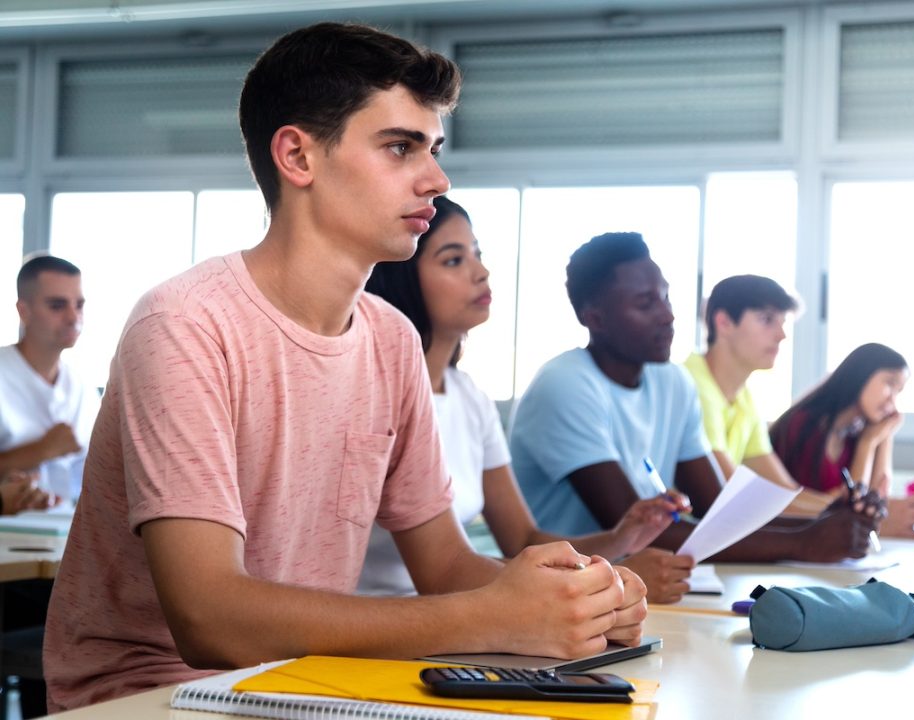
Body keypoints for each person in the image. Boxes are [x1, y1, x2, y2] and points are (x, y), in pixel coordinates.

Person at [43, 23, 645, 713]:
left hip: (303, 683)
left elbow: (446, 567)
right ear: (297, 155)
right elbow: (209, 618)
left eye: (434, 149)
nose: (437, 179)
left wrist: (575, 600)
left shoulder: (391, 339)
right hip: (149, 695)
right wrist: (497, 616)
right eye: (400, 148)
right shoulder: (184, 325)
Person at [358, 196, 685, 598]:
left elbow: (523, 539)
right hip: (387, 620)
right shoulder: (373, 392)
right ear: (403, 277)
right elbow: (449, 572)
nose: (481, 272)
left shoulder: (469, 396)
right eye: (453, 260)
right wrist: (605, 580)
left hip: (450, 615)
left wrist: (621, 538)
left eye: (477, 254)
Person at [510, 232, 879, 570]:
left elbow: (718, 510)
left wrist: (827, 521)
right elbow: (628, 532)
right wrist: (805, 542)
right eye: (645, 303)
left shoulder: (673, 382)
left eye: (665, 296)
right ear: (595, 319)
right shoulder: (566, 385)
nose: (668, 315)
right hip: (562, 581)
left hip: (634, 580)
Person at [683, 275, 832, 516]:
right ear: (723, 323)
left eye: (783, 322)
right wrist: (839, 517)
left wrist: (844, 511)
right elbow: (733, 494)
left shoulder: (744, 398)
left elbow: (783, 491)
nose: (782, 334)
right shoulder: (690, 385)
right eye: (767, 320)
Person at [769, 343, 914, 537]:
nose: (892, 402)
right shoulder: (803, 424)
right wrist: (867, 445)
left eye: (898, 392)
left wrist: (884, 436)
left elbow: (876, 497)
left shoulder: (857, 432)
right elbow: (852, 507)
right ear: (861, 375)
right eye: (889, 384)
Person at [0, 254, 97, 507]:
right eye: (57, 305)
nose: (73, 317)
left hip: (66, 533)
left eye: (79, 305)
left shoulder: (82, 388)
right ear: (24, 311)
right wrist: (43, 450)